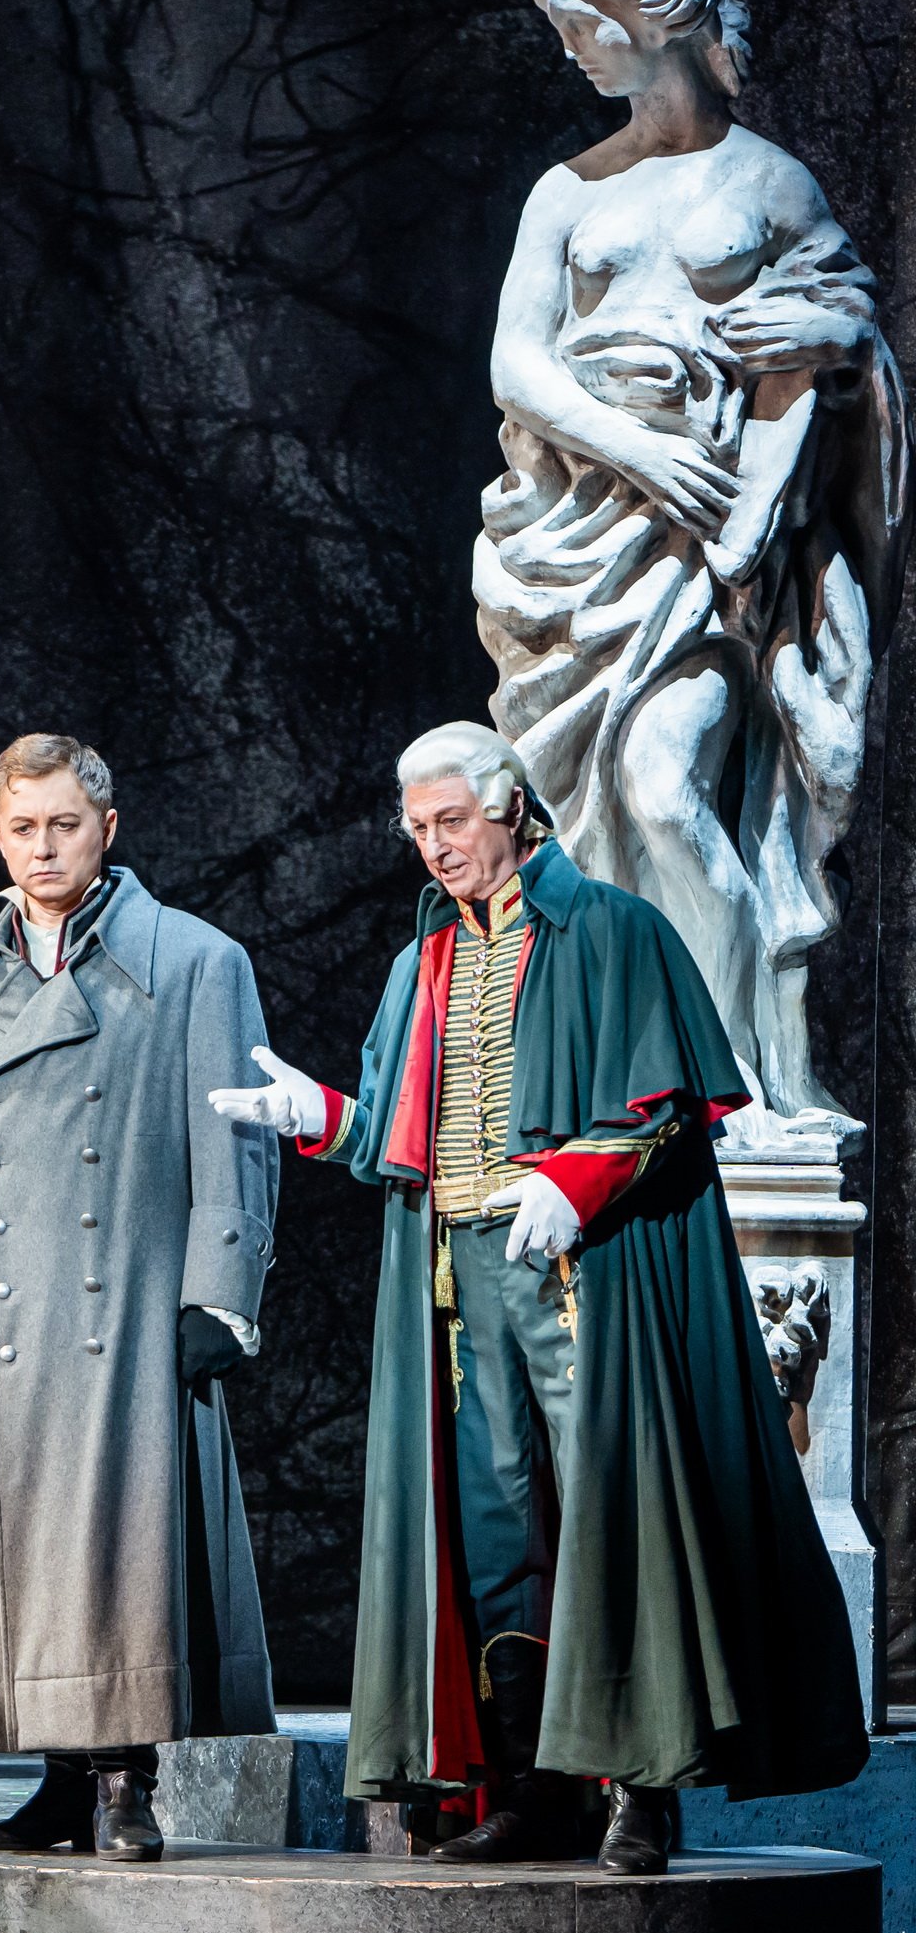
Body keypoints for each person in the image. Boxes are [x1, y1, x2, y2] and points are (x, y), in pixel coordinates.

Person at [209, 720, 868, 1874]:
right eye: (417, 828)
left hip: (585, 1284)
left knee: (613, 1524)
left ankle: (641, 1793)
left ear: (512, 808)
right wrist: (320, 1116)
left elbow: (666, 1106)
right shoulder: (421, 963)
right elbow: (400, 1139)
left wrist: (572, 1180)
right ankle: (531, 1788)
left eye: (451, 820)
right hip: (462, 1292)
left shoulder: (612, 931)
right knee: (496, 1535)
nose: (434, 845)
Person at [474, 0, 909, 1134]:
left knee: (666, 790)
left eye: (585, 25)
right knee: (594, 822)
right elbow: (516, 363)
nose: (571, 52)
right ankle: (655, 1074)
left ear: (650, 19)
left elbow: (846, 347)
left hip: (717, 551)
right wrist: (632, 449)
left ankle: (734, 1076)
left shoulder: (769, 183)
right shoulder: (566, 192)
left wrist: (833, 342)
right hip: (584, 540)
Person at [0, 732, 278, 1860]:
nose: (44, 847)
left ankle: (122, 1782)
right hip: (4, 1319)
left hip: (128, 1305)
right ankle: (61, 1778)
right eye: (23, 828)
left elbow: (238, 1142)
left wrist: (219, 1292)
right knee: (24, 1548)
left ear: (108, 827)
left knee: (118, 1544)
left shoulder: (195, 962)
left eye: (64, 824)